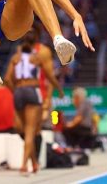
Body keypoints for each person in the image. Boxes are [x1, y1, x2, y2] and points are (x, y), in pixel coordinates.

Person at [5, 29, 64, 175]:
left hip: (18, 91)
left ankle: (34, 162)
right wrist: (60, 90)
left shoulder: (15, 57)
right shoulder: (36, 58)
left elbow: (7, 79)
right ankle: (24, 165)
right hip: (32, 90)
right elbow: (50, 76)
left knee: (23, 130)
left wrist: (15, 90)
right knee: (31, 130)